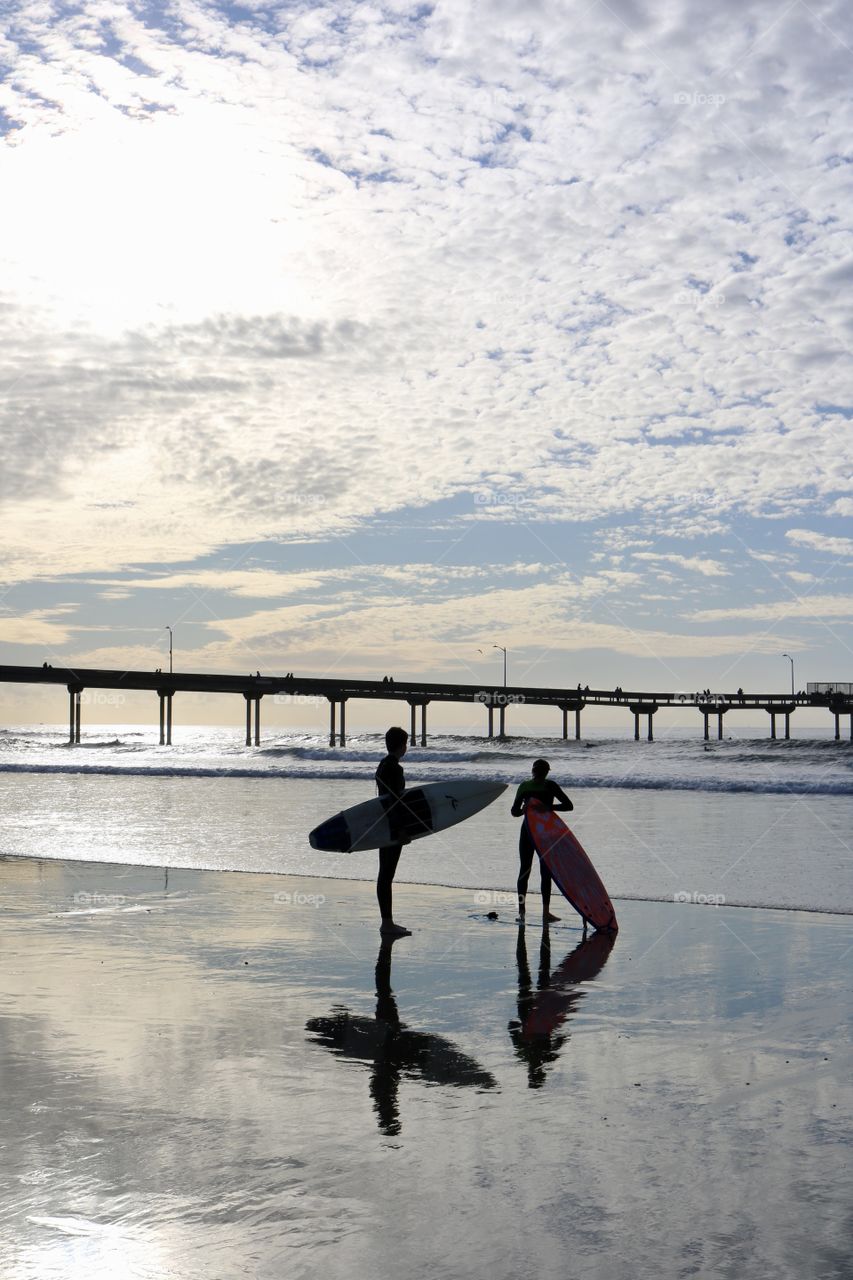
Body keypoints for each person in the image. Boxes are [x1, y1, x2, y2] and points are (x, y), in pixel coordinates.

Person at [510, 759, 573, 925]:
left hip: (529, 831)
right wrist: (549, 808)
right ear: (546, 772)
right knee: (544, 872)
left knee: (525, 870)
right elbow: (568, 806)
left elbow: (514, 812)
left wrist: (524, 810)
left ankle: (523, 913)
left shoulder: (525, 786)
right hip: (544, 832)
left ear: (533, 771)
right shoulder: (549, 785)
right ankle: (544, 913)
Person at [375, 726, 412, 937]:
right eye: (405, 743)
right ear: (401, 745)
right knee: (387, 875)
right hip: (392, 826)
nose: (406, 747)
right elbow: (395, 801)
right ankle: (387, 924)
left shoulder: (383, 765)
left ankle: (387, 922)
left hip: (383, 823)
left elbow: (385, 799)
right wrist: (401, 830)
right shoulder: (395, 769)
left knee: (384, 874)